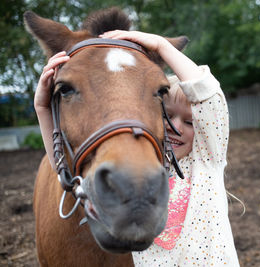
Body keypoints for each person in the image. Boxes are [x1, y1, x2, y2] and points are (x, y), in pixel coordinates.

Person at [35, 30, 240, 266]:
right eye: (168, 116)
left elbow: (208, 96)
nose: (175, 128)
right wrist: (42, 107)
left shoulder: (207, 162)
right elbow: (59, 166)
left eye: (190, 122)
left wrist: (161, 46)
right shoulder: (150, 160)